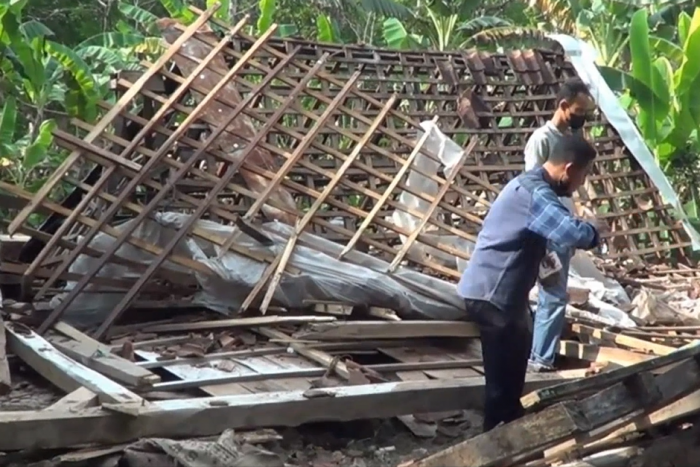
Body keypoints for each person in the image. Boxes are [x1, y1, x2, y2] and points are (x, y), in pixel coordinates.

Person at [457, 134, 607, 432]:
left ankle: (511, 428)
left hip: (504, 297)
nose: (580, 183)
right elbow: (569, 231)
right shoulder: (534, 193)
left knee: (515, 366)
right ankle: (495, 441)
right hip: (492, 296)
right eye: (583, 175)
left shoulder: (532, 187)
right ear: (569, 169)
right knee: (502, 380)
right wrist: (594, 230)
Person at [524, 78, 595, 373]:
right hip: (550, 229)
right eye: (579, 111)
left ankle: (540, 355)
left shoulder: (572, 141)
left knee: (554, 292)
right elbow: (533, 188)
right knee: (551, 293)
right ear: (564, 107)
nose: (582, 118)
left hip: (562, 229)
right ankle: (540, 358)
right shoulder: (543, 139)